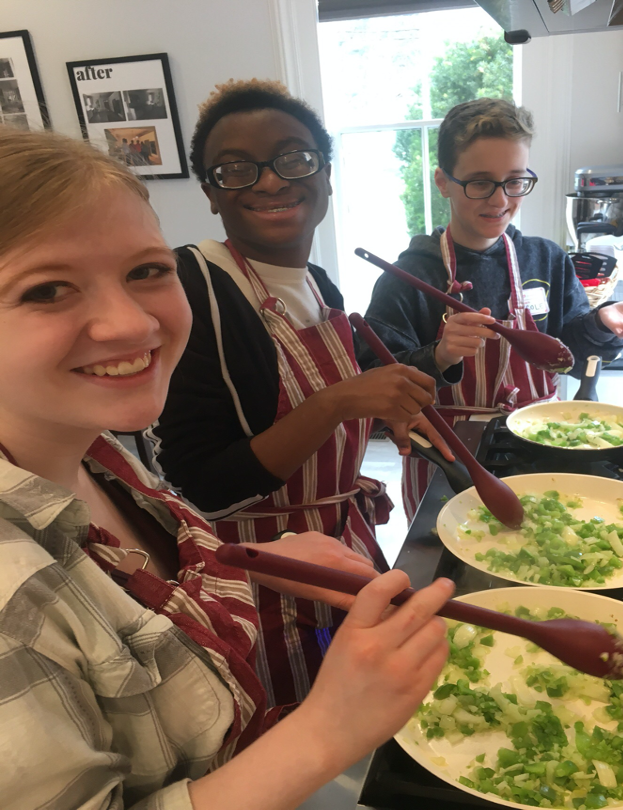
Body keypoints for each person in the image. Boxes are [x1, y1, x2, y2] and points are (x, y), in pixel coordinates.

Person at [0, 124, 453, 810]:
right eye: (46, 290)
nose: (128, 324)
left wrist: (258, 556)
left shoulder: (99, 450)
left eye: (145, 271)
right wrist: (328, 730)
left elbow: (150, 573)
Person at [148, 79, 451, 706]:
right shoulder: (192, 285)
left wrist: (350, 467)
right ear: (209, 193)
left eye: (294, 157)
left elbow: (313, 417)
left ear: (326, 174)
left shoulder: (316, 282)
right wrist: (342, 403)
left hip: (338, 545)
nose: (268, 181)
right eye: (236, 170)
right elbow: (204, 483)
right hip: (258, 579)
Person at [359, 98, 623, 519]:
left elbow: (568, 360)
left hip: (541, 451)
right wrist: (439, 356)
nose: (500, 199)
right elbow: (373, 388)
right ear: (442, 181)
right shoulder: (408, 278)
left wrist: (601, 323)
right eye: (480, 182)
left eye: (515, 181)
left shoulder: (545, 260)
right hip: (449, 465)